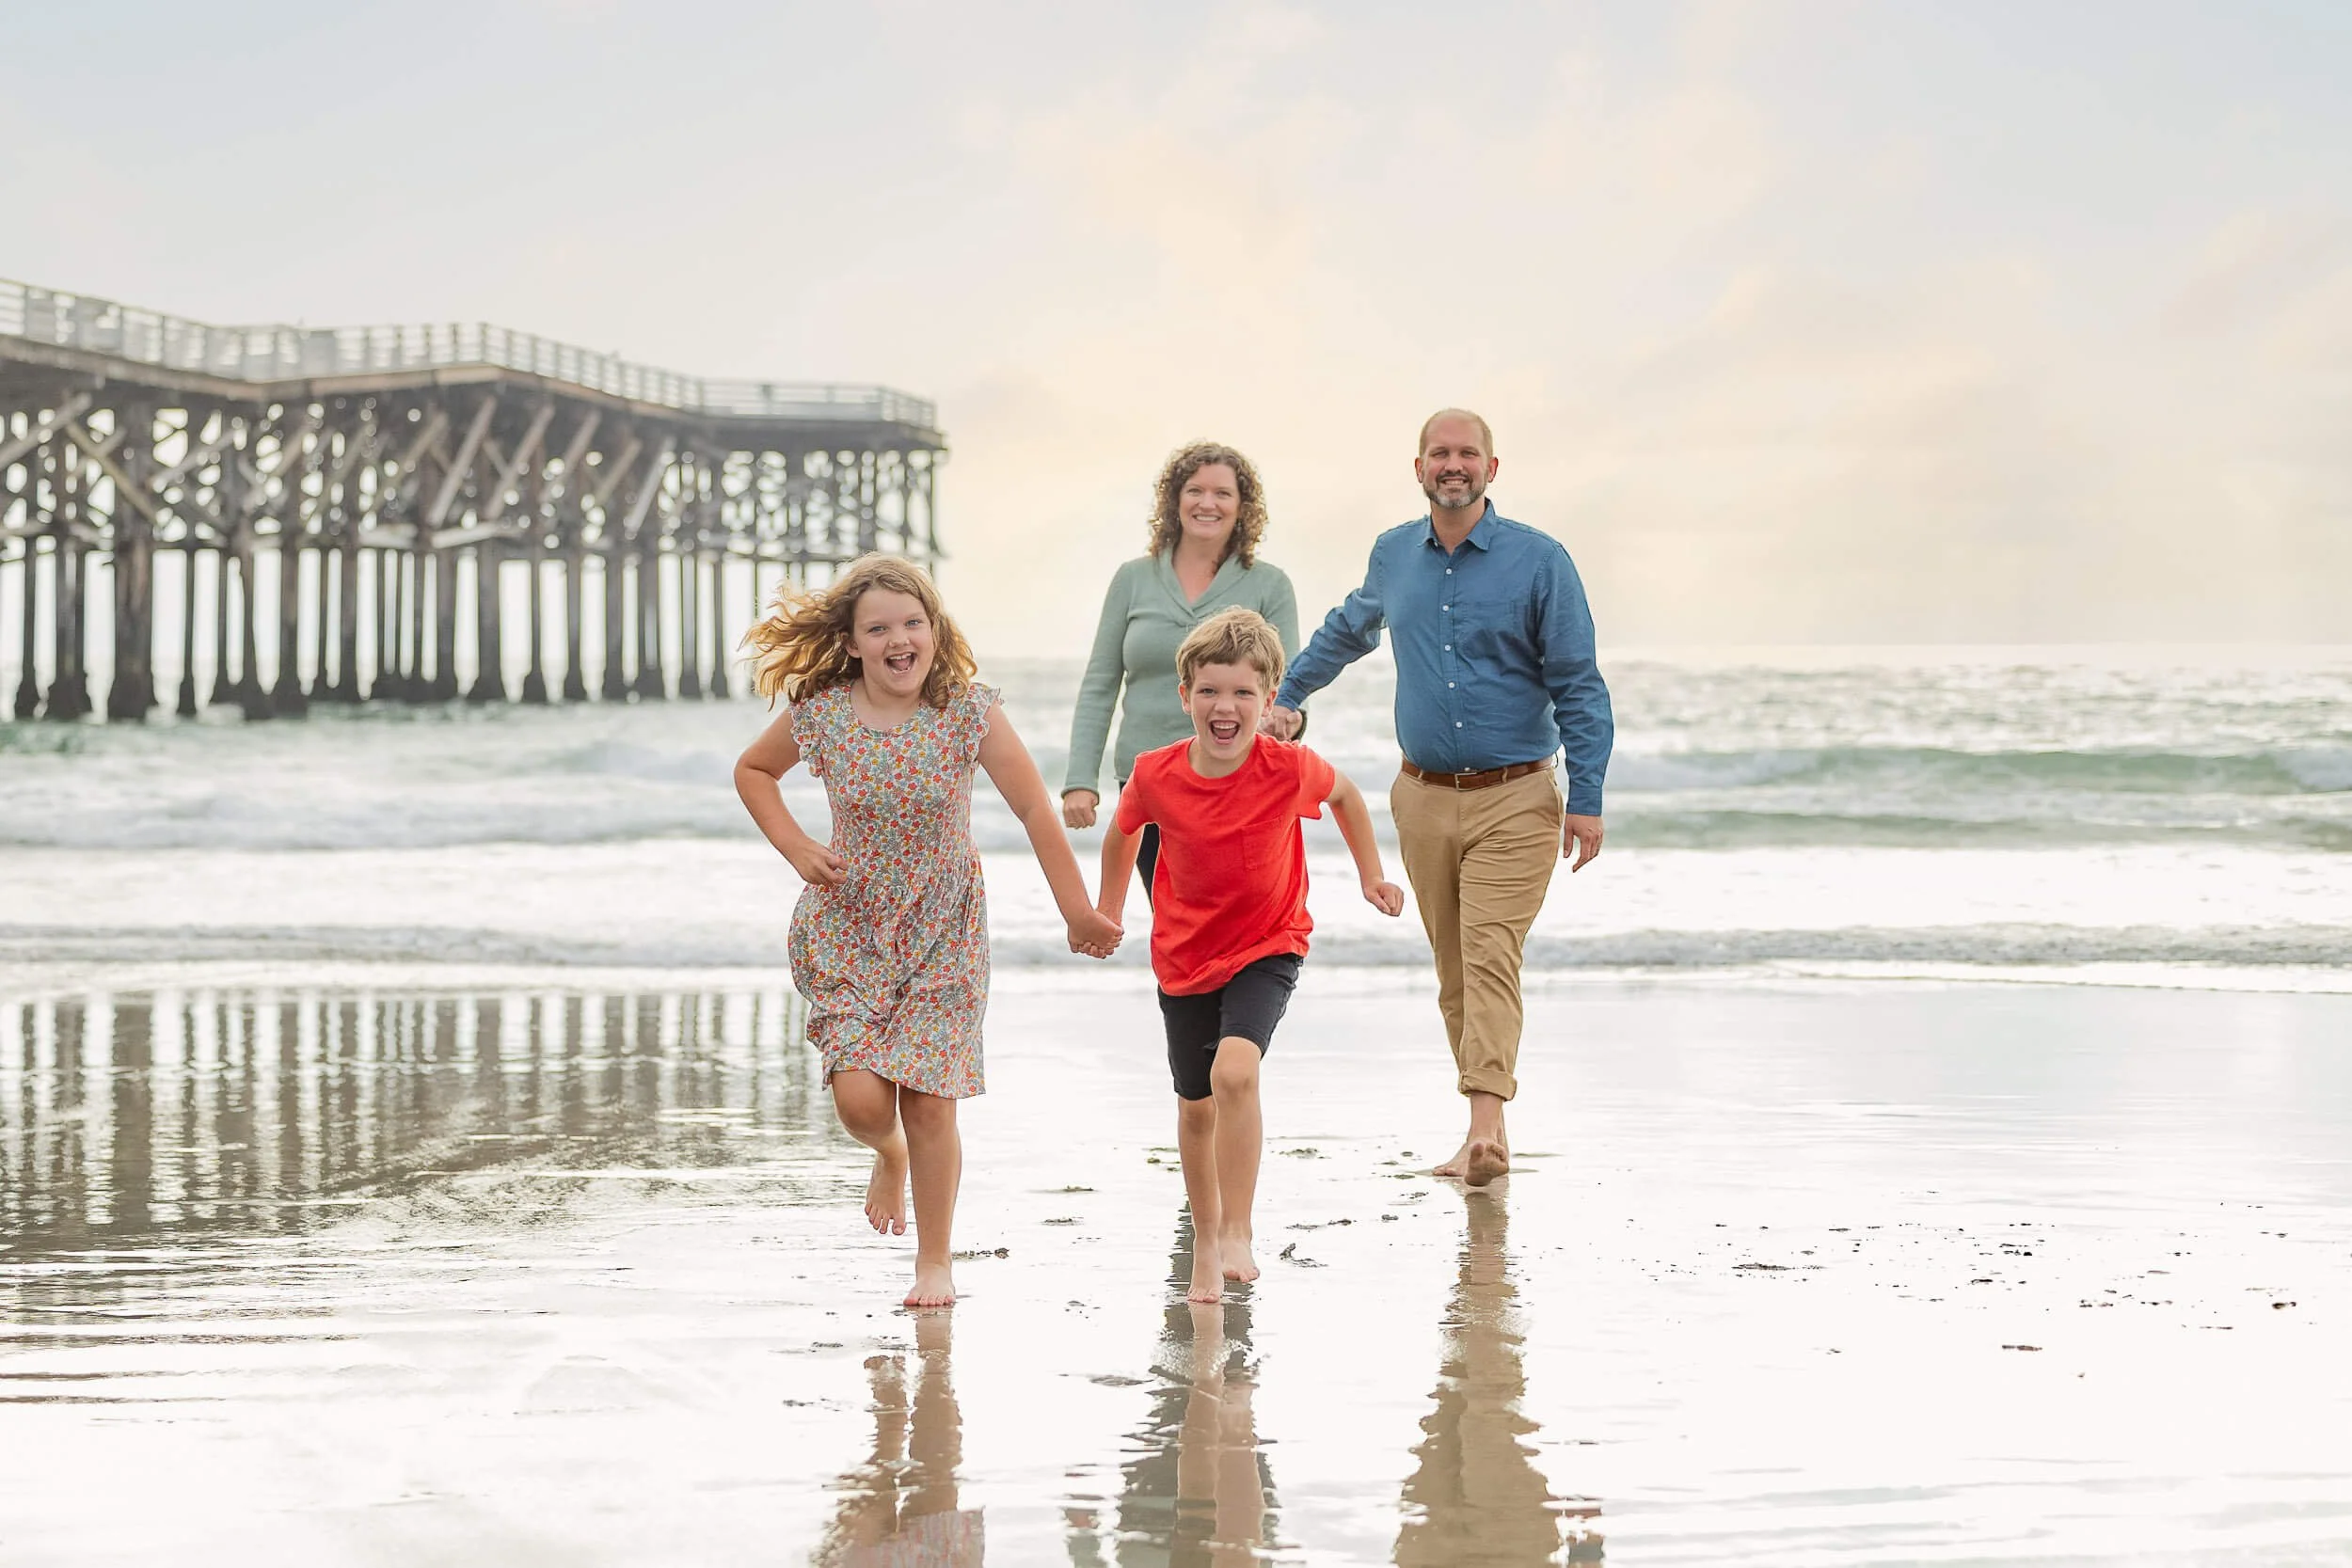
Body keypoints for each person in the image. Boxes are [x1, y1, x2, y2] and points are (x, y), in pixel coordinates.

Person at [734, 554, 1122, 1308]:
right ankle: (888, 1154)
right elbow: (754, 770)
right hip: (849, 927)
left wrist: (1076, 908)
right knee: (863, 1104)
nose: (899, 639)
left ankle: (933, 1262)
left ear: (936, 631)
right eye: (878, 628)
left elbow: (1036, 810)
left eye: (914, 623)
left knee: (931, 1100)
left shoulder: (968, 710)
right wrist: (797, 846)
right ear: (851, 643)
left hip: (944, 926)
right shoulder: (822, 712)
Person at [1263, 409, 1613, 1189]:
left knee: (1490, 952)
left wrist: (1585, 795)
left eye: (1468, 454)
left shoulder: (1540, 562)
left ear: (1493, 467)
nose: (1453, 465)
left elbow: (1579, 684)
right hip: (1421, 799)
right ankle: (1487, 1126)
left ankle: (1483, 1128)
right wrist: (1289, 694)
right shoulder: (1395, 554)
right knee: (1455, 970)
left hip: (1518, 795)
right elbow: (1348, 629)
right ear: (1418, 467)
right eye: (1440, 454)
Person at [1096, 608, 1403, 1303]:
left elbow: (1349, 797)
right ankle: (1206, 1236)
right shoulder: (1155, 773)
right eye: (1208, 691)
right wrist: (1109, 908)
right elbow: (1122, 832)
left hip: (1270, 941)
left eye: (1241, 693)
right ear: (1185, 697)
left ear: (1269, 702)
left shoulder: (1287, 768)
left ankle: (1238, 1227)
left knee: (1235, 1069)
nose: (1224, 706)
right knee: (1195, 1105)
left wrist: (1371, 876)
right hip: (1184, 953)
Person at [1061, 441, 1302, 895]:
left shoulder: (1270, 585)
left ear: (1242, 506)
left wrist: (1289, 721)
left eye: (1223, 493)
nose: (1207, 503)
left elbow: (1287, 687)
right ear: (1174, 500)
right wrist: (1080, 781)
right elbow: (1100, 684)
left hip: (1237, 780)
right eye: (1195, 490)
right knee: (1172, 920)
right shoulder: (1133, 579)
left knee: (1236, 916)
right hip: (1148, 782)